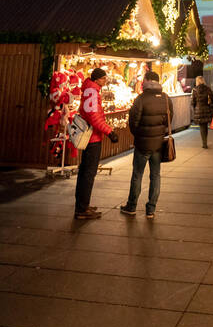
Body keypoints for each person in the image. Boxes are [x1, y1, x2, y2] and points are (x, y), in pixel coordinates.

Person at [120, 71, 171, 218]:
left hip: (142, 144)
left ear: (147, 81)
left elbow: (133, 121)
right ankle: (151, 209)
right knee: (156, 175)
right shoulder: (166, 98)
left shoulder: (141, 99)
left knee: (137, 175)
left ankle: (132, 206)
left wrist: (139, 133)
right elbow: (169, 119)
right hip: (158, 144)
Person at [73, 68, 117, 220]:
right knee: (88, 174)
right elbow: (94, 117)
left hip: (90, 138)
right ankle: (82, 209)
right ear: (97, 79)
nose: (106, 81)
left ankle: (82, 205)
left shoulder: (90, 90)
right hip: (92, 139)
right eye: (104, 78)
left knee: (85, 172)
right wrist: (110, 132)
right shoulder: (92, 92)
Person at [191, 75, 213, 148]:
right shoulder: (208, 89)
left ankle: (204, 143)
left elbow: (193, 101)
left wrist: (195, 108)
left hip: (199, 109)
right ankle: (205, 142)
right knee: (205, 126)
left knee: (202, 127)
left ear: (197, 81)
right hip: (206, 109)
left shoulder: (195, 90)